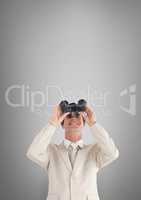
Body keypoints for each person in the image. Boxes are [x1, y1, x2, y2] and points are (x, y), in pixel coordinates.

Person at [26, 104, 119, 200]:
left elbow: (112, 153)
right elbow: (33, 152)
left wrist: (93, 123)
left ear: (84, 123)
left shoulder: (94, 151)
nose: (73, 118)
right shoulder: (52, 151)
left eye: (78, 116)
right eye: (69, 115)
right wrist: (53, 123)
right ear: (61, 122)